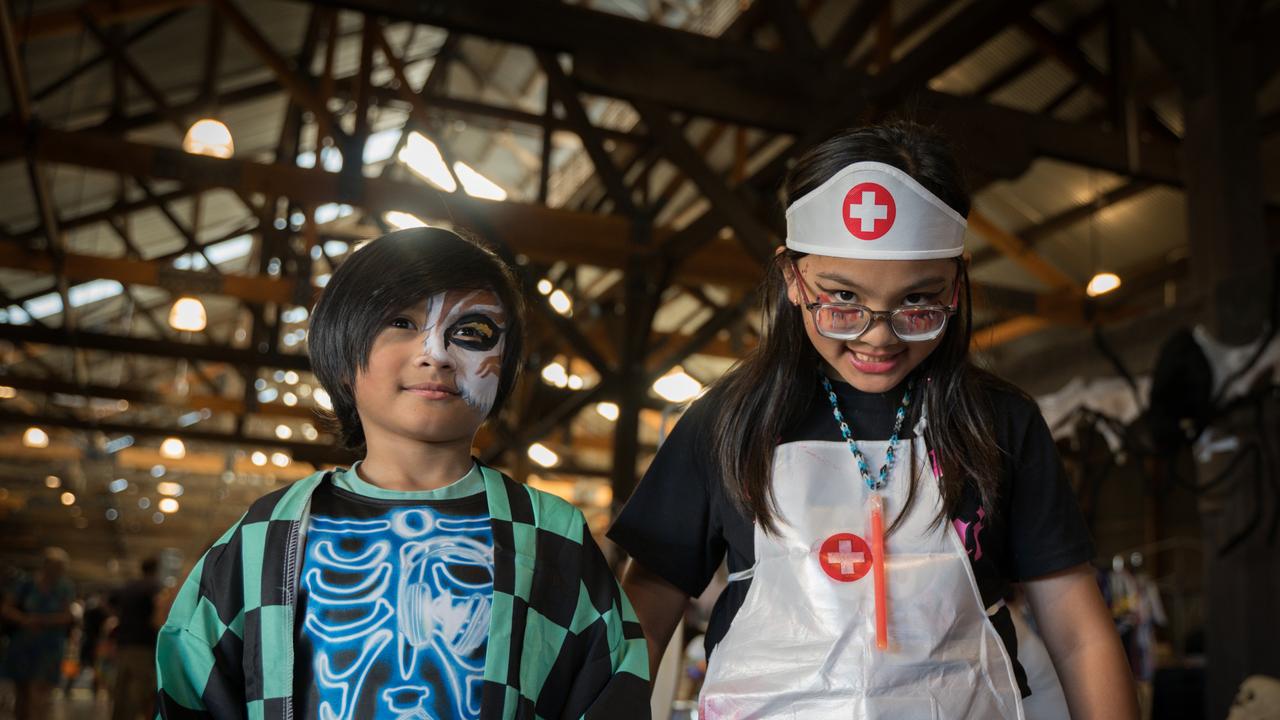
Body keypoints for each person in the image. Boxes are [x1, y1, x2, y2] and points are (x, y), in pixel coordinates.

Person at [608, 123, 1137, 719]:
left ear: (957, 283)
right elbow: (645, 614)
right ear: (791, 278)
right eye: (842, 299)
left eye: (919, 301)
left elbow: (1077, 629)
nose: (877, 336)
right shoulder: (728, 421)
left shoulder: (999, 423)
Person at [156, 228, 649, 719]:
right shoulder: (267, 534)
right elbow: (191, 684)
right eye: (401, 321)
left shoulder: (549, 533)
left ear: (504, 368)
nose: (435, 353)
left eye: (471, 331)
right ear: (342, 354)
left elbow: (611, 689)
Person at [0, 547, 75, 720]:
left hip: (49, 647)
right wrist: (24, 619)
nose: (59, 571)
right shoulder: (25, 583)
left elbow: (67, 616)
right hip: (23, 644)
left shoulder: (65, 587)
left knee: (40, 694)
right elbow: (6, 608)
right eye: (57, 566)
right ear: (46, 565)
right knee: (22, 693)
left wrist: (41, 620)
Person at [110, 558, 163, 720]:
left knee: (122, 689)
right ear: (156, 569)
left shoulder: (128, 587)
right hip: (143, 644)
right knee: (144, 690)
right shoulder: (154, 587)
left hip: (124, 642)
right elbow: (157, 616)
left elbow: (111, 603)